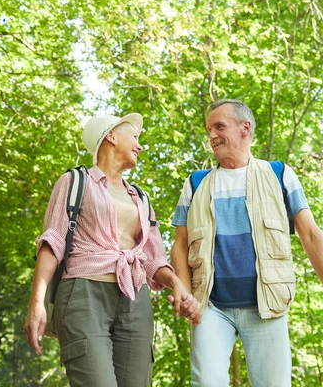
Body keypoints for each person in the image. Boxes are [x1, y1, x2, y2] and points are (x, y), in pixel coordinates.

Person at [170, 99, 323, 386]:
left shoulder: (279, 174)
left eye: (219, 126)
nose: (212, 135)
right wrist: (187, 294)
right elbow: (179, 244)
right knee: (206, 382)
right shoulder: (195, 183)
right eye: (208, 129)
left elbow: (311, 235)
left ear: (245, 128)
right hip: (211, 308)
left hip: (267, 307)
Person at [24, 113, 200, 387]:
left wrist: (176, 283)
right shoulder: (74, 182)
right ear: (111, 136)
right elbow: (52, 244)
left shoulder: (140, 198)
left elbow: (154, 258)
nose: (139, 146)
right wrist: (37, 303)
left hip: (135, 298)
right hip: (84, 295)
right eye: (135, 137)